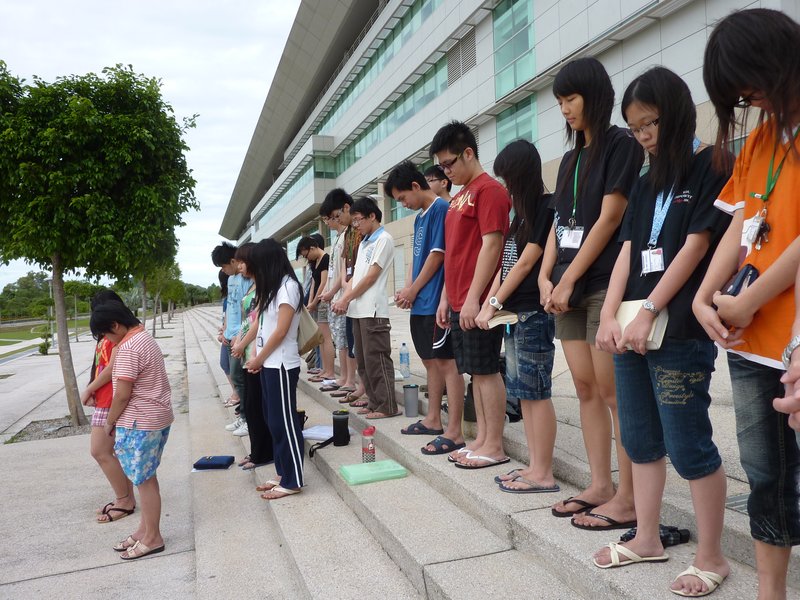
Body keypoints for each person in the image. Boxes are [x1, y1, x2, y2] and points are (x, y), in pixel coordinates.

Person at [591, 66, 731, 597]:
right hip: (632, 327)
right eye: (635, 128)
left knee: (689, 443)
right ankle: (646, 537)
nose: (644, 136)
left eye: (650, 123)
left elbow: (698, 245)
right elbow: (628, 250)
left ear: (676, 114)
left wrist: (650, 308)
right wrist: (610, 315)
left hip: (679, 330)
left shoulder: (711, 164)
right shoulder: (646, 180)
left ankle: (711, 555)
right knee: (640, 439)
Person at [694, 9, 800, 599]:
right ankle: (770, 592)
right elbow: (739, 226)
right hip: (753, 339)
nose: (748, 99)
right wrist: (705, 298)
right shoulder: (760, 137)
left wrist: (748, 299)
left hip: (786, 328)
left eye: (749, 84)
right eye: (738, 94)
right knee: (764, 478)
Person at [539, 57, 643, 527]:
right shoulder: (569, 160)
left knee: (612, 391)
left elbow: (610, 217)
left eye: (571, 99)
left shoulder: (622, 144)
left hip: (603, 283)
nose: (565, 109)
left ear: (595, 96)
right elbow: (559, 224)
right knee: (584, 388)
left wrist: (567, 279)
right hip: (566, 286)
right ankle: (601, 484)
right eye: (560, 102)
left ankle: (629, 495)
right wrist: (547, 276)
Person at [475, 139, 558, 493]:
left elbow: (526, 263)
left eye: (508, 177)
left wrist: (493, 302)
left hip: (533, 313)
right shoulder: (519, 215)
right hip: (513, 314)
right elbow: (505, 264)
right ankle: (534, 466)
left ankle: (543, 472)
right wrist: (489, 303)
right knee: (523, 393)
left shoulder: (545, 206)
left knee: (536, 392)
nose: (505, 185)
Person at [430, 120, 510, 469]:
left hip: (478, 302)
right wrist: (446, 298)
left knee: (487, 369)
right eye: (441, 167)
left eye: (449, 163)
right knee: (474, 371)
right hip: (460, 299)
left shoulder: (489, 190)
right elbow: (454, 252)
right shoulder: (458, 198)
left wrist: (476, 298)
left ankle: (494, 444)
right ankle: (481, 438)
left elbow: (492, 246)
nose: (446, 172)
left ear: (468, 153)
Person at [385, 160, 466, 455]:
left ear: (415, 186)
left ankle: (454, 431)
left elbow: (437, 255)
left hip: (436, 302)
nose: (403, 204)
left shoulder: (441, 209)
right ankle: (433, 419)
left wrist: (414, 289)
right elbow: (416, 259)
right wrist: (407, 290)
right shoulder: (420, 217)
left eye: (402, 198)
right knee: (430, 362)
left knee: (448, 364)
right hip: (421, 303)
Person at [90, 300, 172, 560]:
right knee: (146, 477)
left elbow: (122, 394)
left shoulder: (127, 348)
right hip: (156, 417)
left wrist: (110, 422)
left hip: (139, 422)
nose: (107, 340)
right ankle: (144, 530)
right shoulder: (144, 337)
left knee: (144, 482)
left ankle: (153, 537)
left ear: (115, 325)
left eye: (106, 334)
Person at [244, 239, 305, 499]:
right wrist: (256, 355)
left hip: (281, 364)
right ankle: (283, 473)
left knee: (284, 423)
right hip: (269, 363)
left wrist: (259, 358)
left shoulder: (288, 288)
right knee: (273, 421)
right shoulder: (274, 287)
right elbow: (264, 327)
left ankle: (293, 480)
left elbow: (281, 331)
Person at [332, 196, 399, 419]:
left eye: (358, 220)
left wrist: (346, 299)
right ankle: (373, 401)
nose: (356, 225)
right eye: (353, 221)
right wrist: (343, 298)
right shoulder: (364, 242)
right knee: (363, 360)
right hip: (358, 310)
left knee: (377, 359)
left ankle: (387, 406)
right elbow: (356, 277)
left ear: (372, 216)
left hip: (373, 310)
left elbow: (371, 277)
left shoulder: (384, 239)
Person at [81, 289, 136, 523]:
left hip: (110, 399)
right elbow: (101, 366)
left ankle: (124, 500)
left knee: (100, 451)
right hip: (104, 398)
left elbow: (112, 367)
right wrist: (92, 387)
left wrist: (89, 388)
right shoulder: (109, 334)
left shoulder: (117, 335)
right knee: (112, 452)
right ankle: (125, 498)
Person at [230, 243, 274, 470]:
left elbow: (258, 324)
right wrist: (238, 340)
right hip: (248, 351)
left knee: (256, 406)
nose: (239, 266)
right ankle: (256, 451)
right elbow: (247, 319)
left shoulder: (265, 287)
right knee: (250, 404)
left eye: (242, 262)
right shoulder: (252, 286)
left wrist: (243, 344)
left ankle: (262, 453)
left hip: (257, 352)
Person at [318, 198, 358, 394]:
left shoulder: (350, 235)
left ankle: (349, 379)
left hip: (344, 296)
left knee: (347, 341)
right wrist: (330, 293)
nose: (330, 222)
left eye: (332, 217)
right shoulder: (339, 238)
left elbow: (346, 271)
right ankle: (345, 377)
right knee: (341, 340)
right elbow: (337, 271)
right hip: (338, 296)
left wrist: (334, 293)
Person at [212, 241, 251, 435]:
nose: (223, 270)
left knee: (238, 376)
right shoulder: (230, 280)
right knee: (234, 375)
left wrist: (238, 335)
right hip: (230, 335)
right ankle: (243, 416)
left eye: (224, 266)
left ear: (233, 261)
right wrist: (226, 329)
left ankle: (247, 418)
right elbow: (230, 307)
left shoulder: (246, 279)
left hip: (240, 336)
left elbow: (248, 310)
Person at [297, 235, 336, 384]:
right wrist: (311, 302)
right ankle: (324, 369)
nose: (307, 258)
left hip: (323, 301)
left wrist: (314, 302)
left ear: (312, 248)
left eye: (306, 254)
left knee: (326, 338)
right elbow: (314, 283)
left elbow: (324, 283)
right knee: (320, 339)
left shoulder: (325, 258)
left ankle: (330, 372)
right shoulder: (315, 261)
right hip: (316, 302)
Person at [216, 269, 238, 408]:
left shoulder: (233, 294)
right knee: (225, 363)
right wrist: (223, 331)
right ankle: (235, 392)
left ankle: (237, 394)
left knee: (231, 366)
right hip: (227, 334)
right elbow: (226, 317)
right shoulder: (226, 298)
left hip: (233, 335)